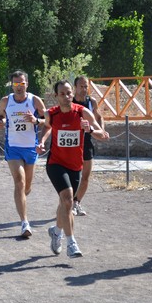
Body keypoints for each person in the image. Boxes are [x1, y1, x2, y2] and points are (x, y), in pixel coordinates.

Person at [39, 80, 108, 258]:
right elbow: (45, 126)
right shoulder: (51, 114)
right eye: (62, 93)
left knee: (64, 204)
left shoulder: (82, 112)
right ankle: (71, 243)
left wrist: (90, 130)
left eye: (69, 92)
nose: (66, 96)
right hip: (55, 163)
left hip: (75, 165)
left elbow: (103, 135)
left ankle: (56, 231)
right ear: (56, 96)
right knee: (68, 199)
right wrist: (41, 142)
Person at [0, 70, 46, 237]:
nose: (19, 87)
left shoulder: (34, 100)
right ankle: (25, 223)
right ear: (12, 85)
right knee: (19, 182)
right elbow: (0, 115)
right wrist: (0, 121)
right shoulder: (6, 101)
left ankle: (21, 200)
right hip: (13, 147)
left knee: (27, 187)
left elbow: (49, 121)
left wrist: (36, 121)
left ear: (27, 84)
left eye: (22, 83)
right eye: (16, 84)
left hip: (30, 148)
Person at [71, 75, 104, 216]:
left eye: (86, 86)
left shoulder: (91, 102)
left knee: (86, 177)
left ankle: (76, 202)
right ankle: (68, 203)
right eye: (81, 86)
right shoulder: (69, 102)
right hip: (71, 145)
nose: (84, 89)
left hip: (87, 142)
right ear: (75, 87)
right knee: (73, 177)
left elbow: (99, 117)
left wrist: (101, 130)